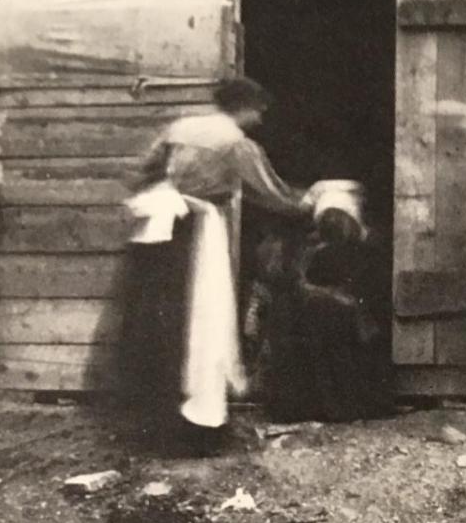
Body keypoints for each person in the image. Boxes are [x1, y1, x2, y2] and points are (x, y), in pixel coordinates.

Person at [95, 76, 307, 453]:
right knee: (201, 325)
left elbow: (141, 172)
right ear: (243, 107)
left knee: (159, 323)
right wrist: (312, 201)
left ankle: (152, 421)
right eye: (257, 110)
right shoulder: (236, 143)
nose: (259, 118)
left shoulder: (180, 129)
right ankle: (194, 428)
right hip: (196, 233)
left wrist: (165, 192)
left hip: (160, 233)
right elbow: (271, 193)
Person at [254, 180, 392, 424]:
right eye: (328, 220)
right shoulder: (310, 252)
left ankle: (336, 405)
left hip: (344, 321)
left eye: (339, 220)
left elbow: (369, 294)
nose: (333, 225)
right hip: (322, 318)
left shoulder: (363, 253)